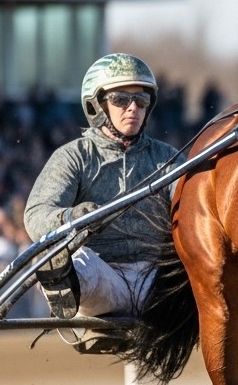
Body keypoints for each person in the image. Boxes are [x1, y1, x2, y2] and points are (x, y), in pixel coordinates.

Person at [24, 54, 181, 321]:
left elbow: (197, 211)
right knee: (75, 261)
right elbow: (36, 215)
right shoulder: (73, 156)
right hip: (103, 278)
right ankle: (61, 280)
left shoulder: (168, 158)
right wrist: (72, 218)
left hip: (160, 283)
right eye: (121, 99)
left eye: (141, 101)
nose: (133, 108)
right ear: (97, 106)